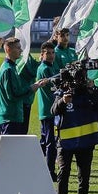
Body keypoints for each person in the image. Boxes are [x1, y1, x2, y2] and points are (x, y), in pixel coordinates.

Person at [51, 70, 98, 194]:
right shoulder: (62, 91)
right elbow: (53, 110)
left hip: (86, 141)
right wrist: (63, 101)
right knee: (63, 174)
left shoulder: (89, 93)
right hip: (65, 142)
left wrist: (93, 89)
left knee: (84, 176)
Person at [0, 37, 50, 136]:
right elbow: (13, 95)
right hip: (10, 117)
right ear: (8, 49)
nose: (21, 50)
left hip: (14, 116)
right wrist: (32, 88)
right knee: (12, 149)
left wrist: (35, 85)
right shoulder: (8, 69)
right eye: (18, 48)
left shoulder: (12, 67)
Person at [36, 41, 60, 179]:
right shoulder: (44, 69)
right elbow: (53, 85)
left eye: (52, 53)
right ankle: (49, 172)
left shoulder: (51, 67)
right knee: (50, 143)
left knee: (47, 141)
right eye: (48, 53)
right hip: (47, 111)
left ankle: (37, 164)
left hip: (51, 110)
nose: (51, 56)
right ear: (42, 54)